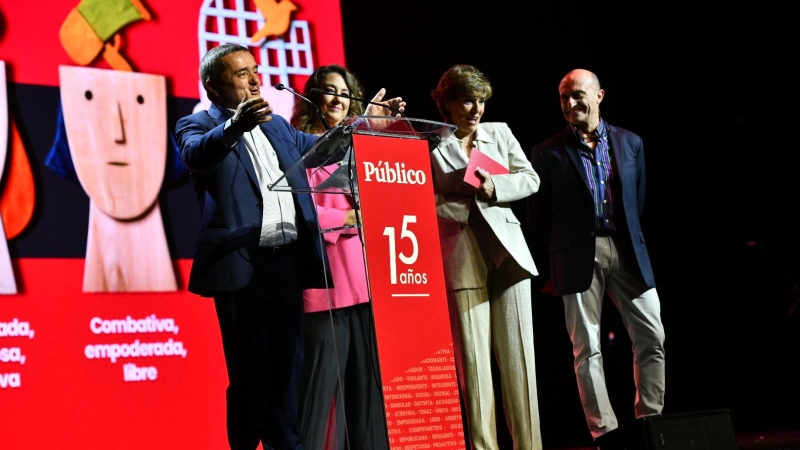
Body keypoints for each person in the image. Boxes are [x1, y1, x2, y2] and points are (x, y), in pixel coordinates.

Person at [175, 44, 397, 450]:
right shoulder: (196, 125)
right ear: (214, 86)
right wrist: (234, 127)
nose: (256, 79)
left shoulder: (278, 125)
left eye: (255, 70)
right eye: (242, 74)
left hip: (287, 263)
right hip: (244, 266)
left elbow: (320, 152)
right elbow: (197, 155)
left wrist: (364, 124)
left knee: (287, 371)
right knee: (251, 376)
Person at [527, 68, 666, 441]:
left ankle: (650, 424)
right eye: (563, 98)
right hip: (576, 255)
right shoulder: (547, 151)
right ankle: (607, 435)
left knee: (652, 337)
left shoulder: (630, 142)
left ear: (599, 95)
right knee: (586, 349)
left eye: (577, 95)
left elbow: (638, 199)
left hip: (625, 249)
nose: (571, 103)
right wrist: (563, 249)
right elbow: (538, 216)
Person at [429, 64, 543, 450]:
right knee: (475, 369)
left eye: (481, 100)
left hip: (508, 254)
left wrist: (496, 185)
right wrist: (452, 206)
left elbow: (530, 178)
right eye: (467, 100)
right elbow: (420, 199)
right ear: (447, 103)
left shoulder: (500, 132)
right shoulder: (431, 142)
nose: (476, 109)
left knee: (519, 365)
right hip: (462, 255)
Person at [290, 65, 403, 450]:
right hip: (325, 290)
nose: (337, 99)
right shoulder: (299, 149)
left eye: (344, 92)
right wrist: (350, 216)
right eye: (329, 91)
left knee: (368, 398)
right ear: (312, 98)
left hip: (366, 287)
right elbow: (298, 214)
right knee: (320, 401)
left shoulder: (359, 147)